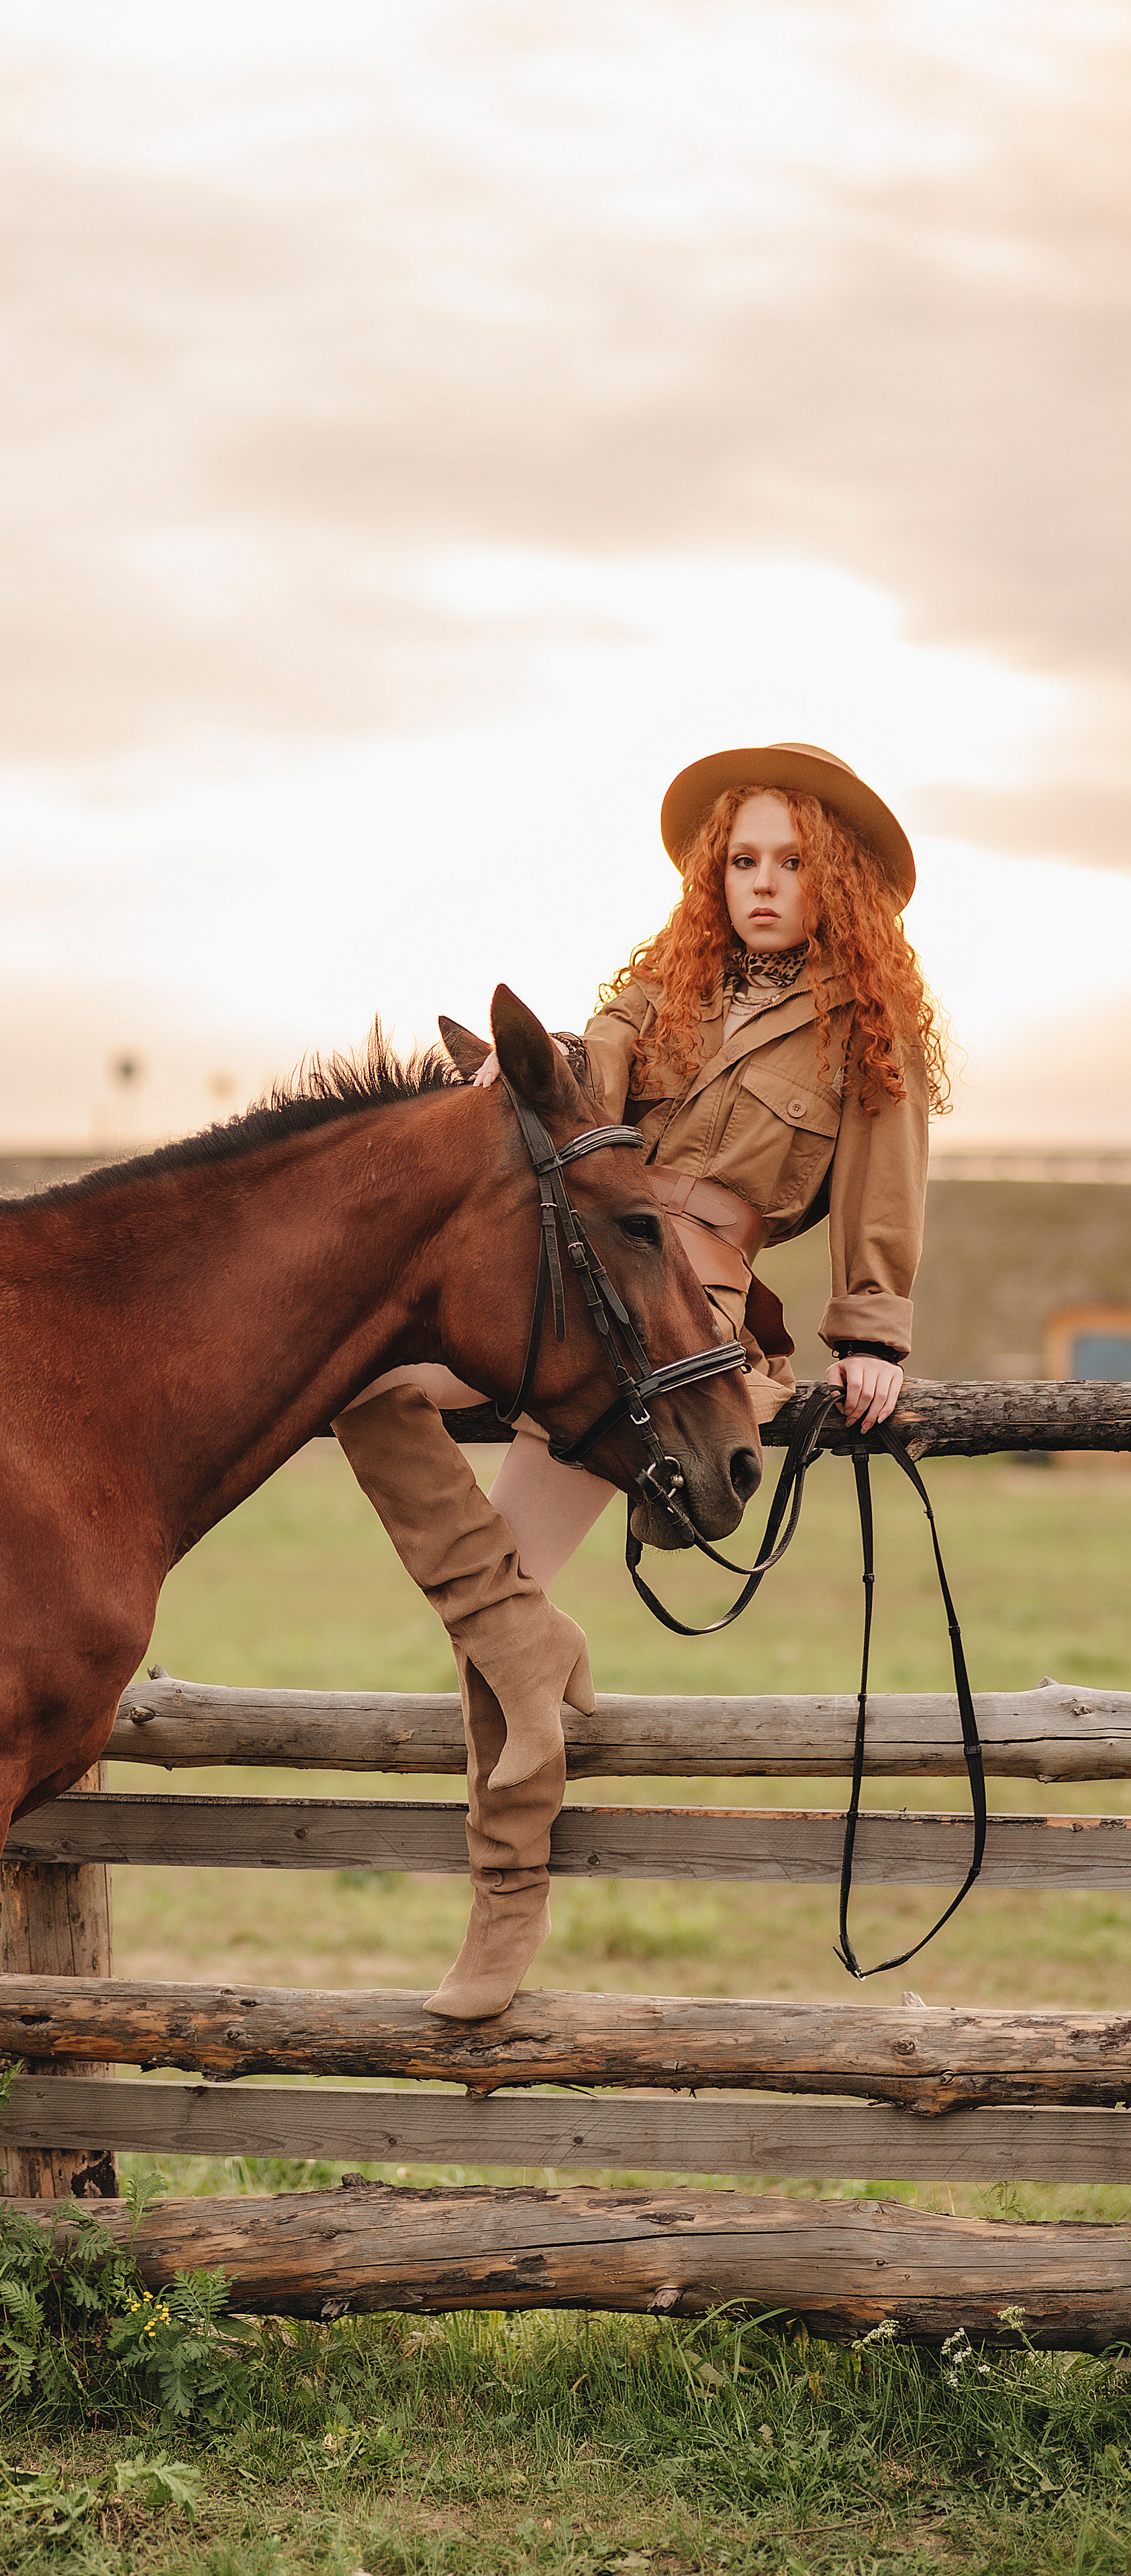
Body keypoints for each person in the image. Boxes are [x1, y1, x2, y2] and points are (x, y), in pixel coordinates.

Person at [336, 743, 949, 2021]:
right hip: (580, 1270)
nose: (762, 884)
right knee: (367, 1380)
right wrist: (513, 1071)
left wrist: (872, 1339)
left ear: (830, 875)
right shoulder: (663, 988)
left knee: (500, 1570)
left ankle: (504, 1898)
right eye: (742, 860)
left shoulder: (863, 1028)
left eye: (789, 861)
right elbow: (583, 1075)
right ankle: (531, 1642)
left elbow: (884, 1203)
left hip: (684, 1318)